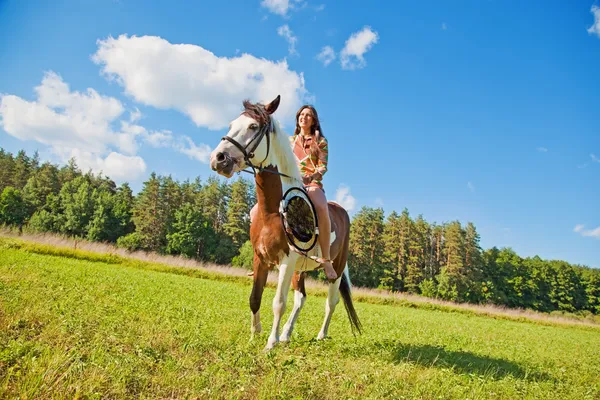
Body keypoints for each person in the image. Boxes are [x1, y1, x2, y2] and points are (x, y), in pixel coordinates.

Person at [290, 105, 337, 281]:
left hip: (311, 184)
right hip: (290, 182)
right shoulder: (289, 141)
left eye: (308, 115)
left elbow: (323, 166)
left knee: (321, 207)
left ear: (314, 120)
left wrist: (312, 176)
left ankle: (326, 259)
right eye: (302, 114)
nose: (304, 117)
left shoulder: (321, 142)